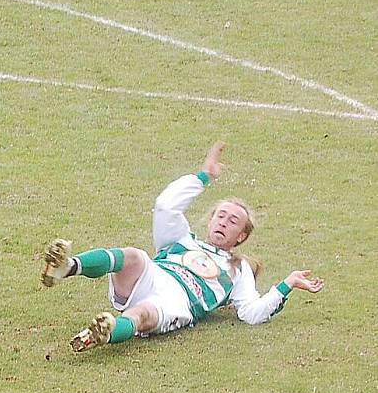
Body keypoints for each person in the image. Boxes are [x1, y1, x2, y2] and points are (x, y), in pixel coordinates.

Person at [41, 142, 324, 352]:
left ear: (241, 236)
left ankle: (104, 332)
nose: (224, 222)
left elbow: (252, 313)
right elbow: (165, 205)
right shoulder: (183, 239)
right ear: (211, 219)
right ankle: (67, 267)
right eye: (221, 215)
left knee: (142, 316)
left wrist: (286, 285)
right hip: (154, 276)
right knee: (133, 256)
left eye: (233, 221)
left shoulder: (237, 271)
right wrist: (204, 176)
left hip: (179, 302)